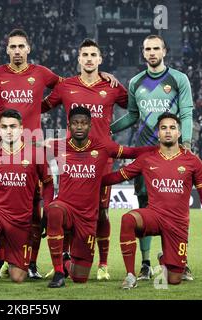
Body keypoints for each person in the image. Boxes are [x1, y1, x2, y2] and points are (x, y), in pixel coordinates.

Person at [0, 29, 119, 279]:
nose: (16, 51)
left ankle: (34, 263)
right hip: (6, 147)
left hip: (35, 149)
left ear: (28, 49)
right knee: (3, 206)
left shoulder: (42, 73)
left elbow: (66, 86)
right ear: (7, 49)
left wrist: (101, 76)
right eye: (12, 46)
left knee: (37, 209)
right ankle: (2, 261)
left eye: (21, 46)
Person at [110, 35, 195, 281]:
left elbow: (187, 113)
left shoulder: (179, 79)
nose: (151, 52)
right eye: (147, 49)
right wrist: (107, 130)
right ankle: (146, 263)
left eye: (156, 48)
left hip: (174, 151)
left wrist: (186, 142)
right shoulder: (136, 82)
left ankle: (180, 260)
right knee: (144, 204)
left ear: (164, 51)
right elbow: (132, 117)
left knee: (177, 208)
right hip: (146, 151)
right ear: (143, 52)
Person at [42, 39, 128, 280]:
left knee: (102, 212)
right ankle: (64, 258)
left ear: (100, 59)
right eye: (85, 55)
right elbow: (42, 106)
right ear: (78, 59)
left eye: (93, 55)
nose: (89, 58)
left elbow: (134, 107)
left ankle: (102, 265)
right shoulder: (66, 86)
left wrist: (116, 129)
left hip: (102, 160)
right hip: (71, 158)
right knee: (67, 207)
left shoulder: (112, 86)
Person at [103, 113, 202, 289]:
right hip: (154, 216)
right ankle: (130, 275)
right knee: (128, 219)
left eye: (172, 128)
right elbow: (120, 175)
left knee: (174, 280)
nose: (168, 132)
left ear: (179, 133)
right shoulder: (147, 158)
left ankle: (164, 259)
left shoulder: (193, 162)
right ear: (158, 133)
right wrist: (93, 179)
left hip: (178, 224)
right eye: (163, 128)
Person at [44, 107, 154, 288]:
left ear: (90, 125)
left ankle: (66, 265)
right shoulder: (59, 145)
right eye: (75, 123)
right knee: (54, 211)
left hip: (87, 217)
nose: (79, 127)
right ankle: (58, 272)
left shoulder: (103, 145)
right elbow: (32, 146)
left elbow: (131, 152)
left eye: (83, 123)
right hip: (65, 207)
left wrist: (160, 148)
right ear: (69, 126)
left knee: (80, 277)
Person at [0, 109, 54, 287]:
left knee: (18, 278)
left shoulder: (35, 154)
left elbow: (48, 183)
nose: (9, 130)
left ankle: (15, 263)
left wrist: (47, 210)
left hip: (21, 221)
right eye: (4, 127)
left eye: (13, 126)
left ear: (21, 129)